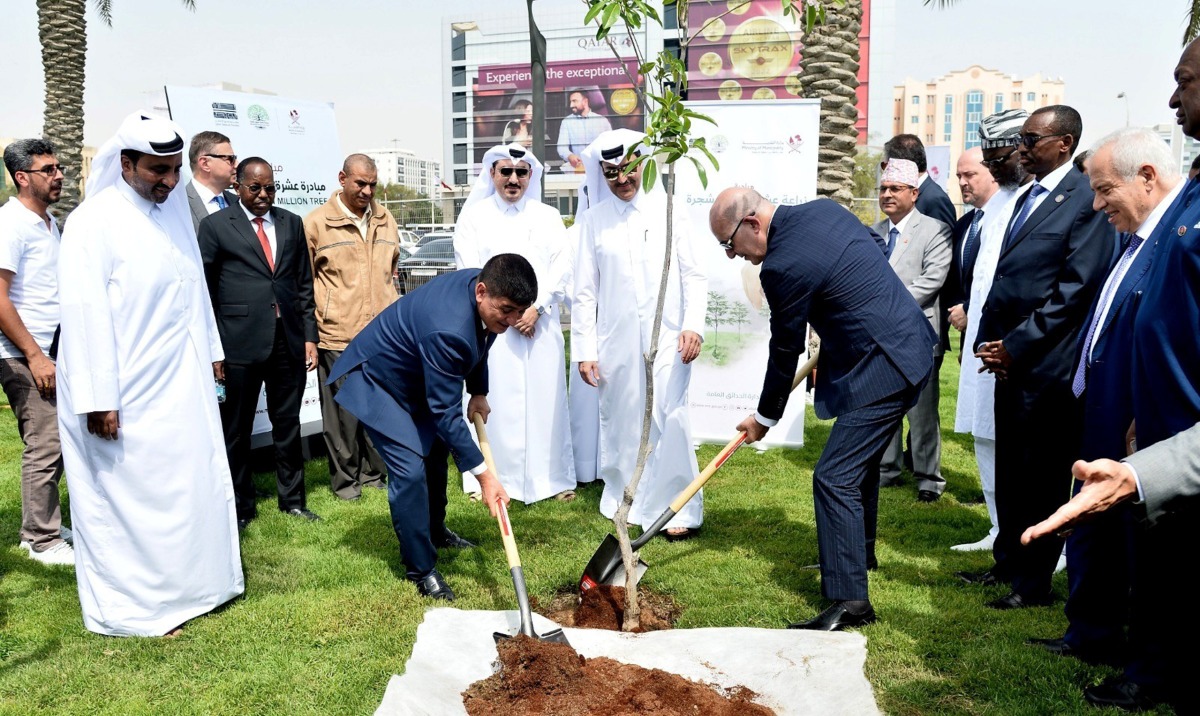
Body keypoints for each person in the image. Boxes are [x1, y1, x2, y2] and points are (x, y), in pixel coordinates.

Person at [709, 187, 935, 631]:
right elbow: (869, 248)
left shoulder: (781, 265)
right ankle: (859, 555)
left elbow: (785, 347)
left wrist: (764, 418)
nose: (734, 256)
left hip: (885, 366)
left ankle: (851, 602)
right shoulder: (823, 210)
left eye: (730, 244)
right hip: (908, 345)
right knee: (860, 467)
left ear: (753, 224)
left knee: (834, 477)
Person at [56, 112, 243, 637]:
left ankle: (197, 589)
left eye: (173, 170)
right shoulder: (93, 222)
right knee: (127, 498)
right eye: (156, 171)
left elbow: (193, 289)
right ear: (125, 163)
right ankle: (133, 609)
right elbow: (85, 315)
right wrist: (99, 399)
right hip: (121, 389)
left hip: (180, 384)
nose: (167, 181)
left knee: (187, 484)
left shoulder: (174, 215)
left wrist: (212, 349)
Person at [1025, 127, 1183, 671]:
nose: (1096, 204)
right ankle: (1089, 632)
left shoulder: (1175, 242)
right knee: (1092, 526)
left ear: (1146, 178)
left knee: (1142, 547)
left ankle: (1145, 663)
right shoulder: (1133, 238)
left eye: (1104, 190)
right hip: (1099, 411)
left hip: (1142, 426)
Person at [961, 105, 1114, 610]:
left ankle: (1033, 583)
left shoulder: (1082, 201)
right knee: (1011, 470)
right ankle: (1008, 562)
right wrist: (991, 344)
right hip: (1009, 362)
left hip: (1049, 364)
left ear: (1064, 144)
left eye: (1031, 138)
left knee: (1043, 475)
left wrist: (1018, 344)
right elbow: (1004, 280)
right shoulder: (1025, 197)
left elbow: (1074, 288)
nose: (1021, 146)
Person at [326, 254, 532, 601]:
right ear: (481, 291)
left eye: (519, 312)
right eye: (507, 310)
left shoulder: (486, 294)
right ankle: (421, 569)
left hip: (418, 376)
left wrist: (478, 391)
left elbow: (481, 340)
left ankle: (435, 530)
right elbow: (445, 413)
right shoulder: (449, 327)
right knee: (409, 472)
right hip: (380, 382)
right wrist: (485, 477)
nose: (512, 321)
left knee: (436, 453)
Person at [572, 129, 707, 541]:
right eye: (611, 172)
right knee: (624, 419)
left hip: (669, 338)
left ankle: (677, 506)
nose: (621, 179)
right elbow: (584, 291)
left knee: (670, 414)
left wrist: (693, 325)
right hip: (616, 341)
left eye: (627, 168)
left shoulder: (671, 210)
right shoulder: (594, 221)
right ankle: (625, 497)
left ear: (643, 163)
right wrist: (584, 349)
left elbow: (694, 273)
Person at [199, 157, 321, 529]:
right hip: (238, 344)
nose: (264, 194)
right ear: (237, 185)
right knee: (236, 429)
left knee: (288, 423)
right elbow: (203, 291)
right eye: (256, 188)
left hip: (288, 340)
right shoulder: (215, 226)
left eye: (270, 187)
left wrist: (310, 337)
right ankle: (241, 504)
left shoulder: (291, 223)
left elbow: (303, 284)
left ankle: (293, 500)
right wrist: (214, 348)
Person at [453, 143, 574, 503]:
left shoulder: (548, 216)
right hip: (492, 330)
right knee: (494, 402)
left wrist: (537, 306)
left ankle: (551, 480)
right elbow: (469, 270)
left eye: (521, 172)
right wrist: (504, 313)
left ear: (531, 176)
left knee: (546, 404)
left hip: (539, 325)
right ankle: (485, 478)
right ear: (492, 174)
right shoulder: (474, 218)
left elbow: (562, 266)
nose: (513, 179)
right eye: (505, 171)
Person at [949, 116, 1028, 553]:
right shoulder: (988, 213)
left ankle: (1038, 538)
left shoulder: (1026, 203)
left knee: (1021, 447)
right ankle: (1000, 528)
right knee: (985, 434)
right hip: (983, 346)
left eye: (997, 159)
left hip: (1017, 348)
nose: (996, 168)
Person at [304, 154, 399, 501]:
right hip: (338, 333)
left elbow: (392, 271)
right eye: (360, 183)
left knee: (379, 409)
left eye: (373, 184)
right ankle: (346, 483)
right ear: (342, 178)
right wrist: (311, 335)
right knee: (343, 415)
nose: (367, 190)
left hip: (383, 336)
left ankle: (374, 474)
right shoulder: (316, 223)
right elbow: (304, 281)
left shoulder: (386, 219)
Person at [0, 138, 73, 566]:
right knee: (44, 443)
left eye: (59, 167)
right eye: (48, 169)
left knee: (57, 440)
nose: (58, 174)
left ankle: (42, 522)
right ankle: (40, 539)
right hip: (23, 351)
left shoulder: (48, 222)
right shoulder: (10, 224)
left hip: (51, 349)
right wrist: (34, 354)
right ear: (22, 177)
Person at [871, 158, 952, 502]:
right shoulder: (874, 232)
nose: (888, 195)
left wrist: (884, 306)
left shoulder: (935, 230)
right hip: (879, 339)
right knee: (885, 407)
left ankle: (928, 480)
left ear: (914, 193)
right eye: (883, 189)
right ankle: (887, 470)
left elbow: (931, 281)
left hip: (917, 335)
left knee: (922, 414)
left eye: (895, 189)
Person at [185, 130, 238, 231]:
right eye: (230, 159)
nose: (236, 164)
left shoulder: (238, 202)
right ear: (205, 164)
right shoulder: (179, 204)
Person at [557, 90, 612, 171]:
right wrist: (570, 156)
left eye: (574, 101)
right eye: (570, 102)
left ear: (585, 101)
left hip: (600, 168)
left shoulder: (602, 121)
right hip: (578, 169)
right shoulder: (567, 122)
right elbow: (561, 147)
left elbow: (611, 145)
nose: (571, 105)